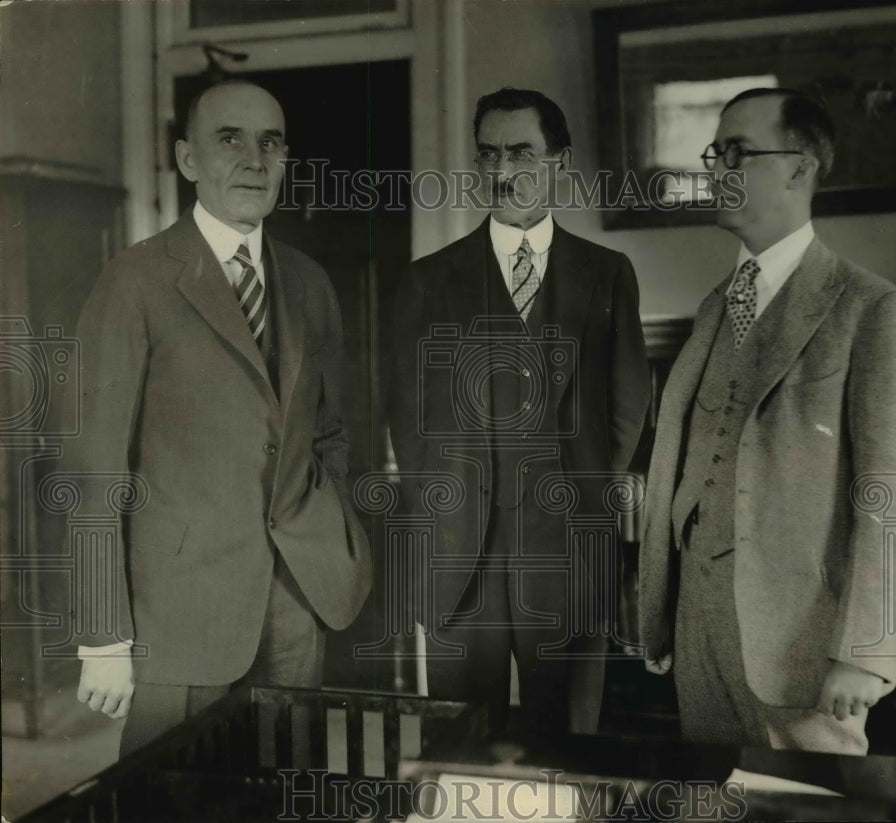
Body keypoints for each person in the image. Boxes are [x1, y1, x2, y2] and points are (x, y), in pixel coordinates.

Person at [67, 79, 371, 756]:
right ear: (187, 160)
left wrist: (326, 529)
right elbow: (94, 470)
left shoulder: (310, 282)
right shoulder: (134, 281)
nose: (254, 159)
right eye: (229, 139)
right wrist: (104, 635)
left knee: (289, 790)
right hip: (178, 609)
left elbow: (331, 432)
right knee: (170, 797)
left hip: (298, 600)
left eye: (271, 143)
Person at [640, 88, 896, 754]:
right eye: (715, 153)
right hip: (698, 631)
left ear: (799, 168)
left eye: (737, 152)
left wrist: (863, 651)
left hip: (802, 645)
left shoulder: (873, 310)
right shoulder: (715, 308)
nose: (715, 169)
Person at [389, 88, 649, 735]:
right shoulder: (429, 280)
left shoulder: (607, 274)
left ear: (559, 161)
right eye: (488, 155)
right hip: (460, 557)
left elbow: (627, 406)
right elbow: (408, 420)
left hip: (568, 551)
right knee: (458, 741)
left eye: (521, 153)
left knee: (567, 743)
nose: (502, 173)